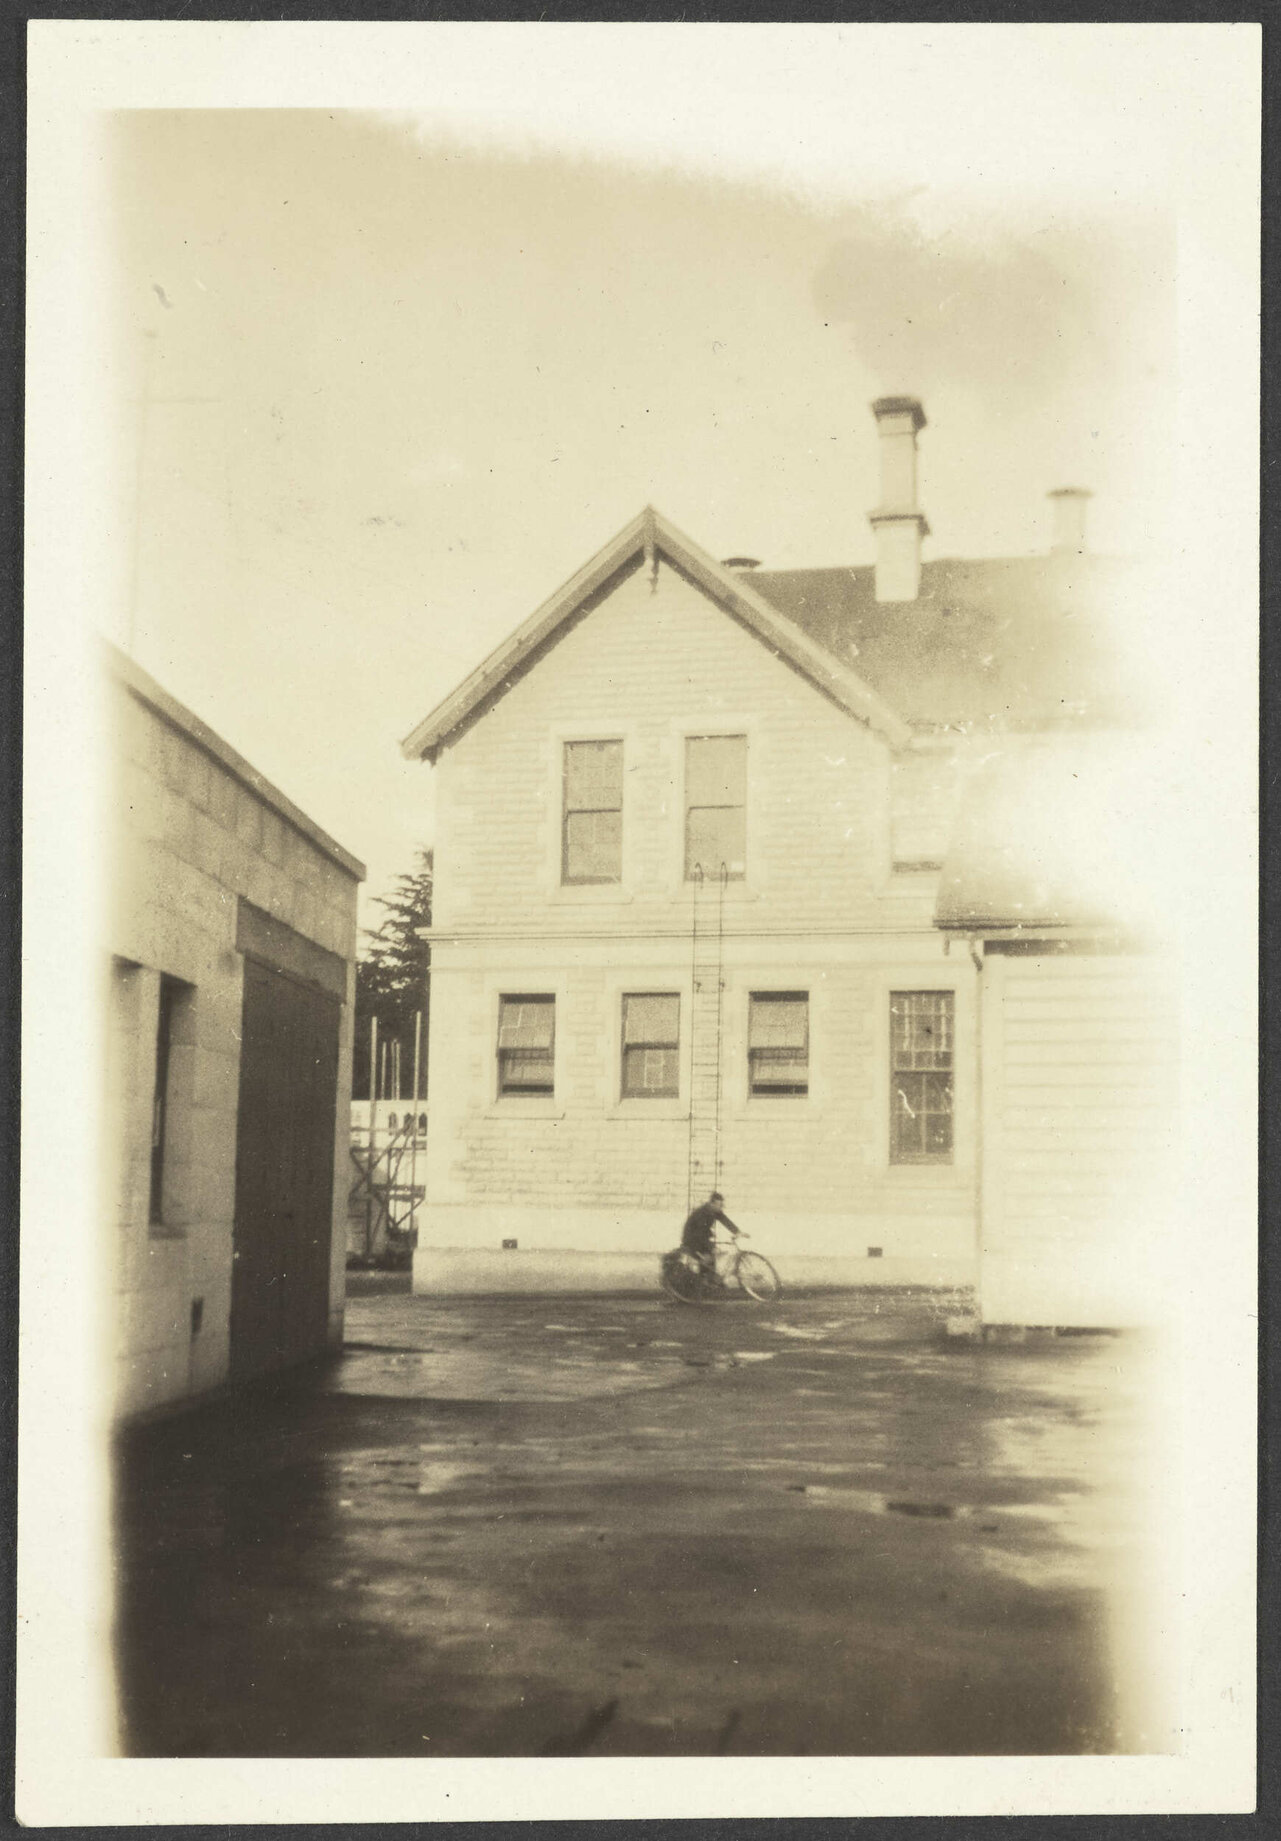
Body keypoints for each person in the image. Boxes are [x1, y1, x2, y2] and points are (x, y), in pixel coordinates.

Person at [680, 1191, 741, 1281]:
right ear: (712, 1203)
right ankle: (702, 1284)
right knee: (708, 1258)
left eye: (721, 1205)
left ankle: (709, 1281)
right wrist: (711, 1247)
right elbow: (700, 1234)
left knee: (711, 1259)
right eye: (719, 1205)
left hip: (701, 1237)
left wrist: (737, 1231)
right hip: (692, 1240)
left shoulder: (714, 1210)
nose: (721, 1208)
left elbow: (724, 1220)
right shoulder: (702, 1213)